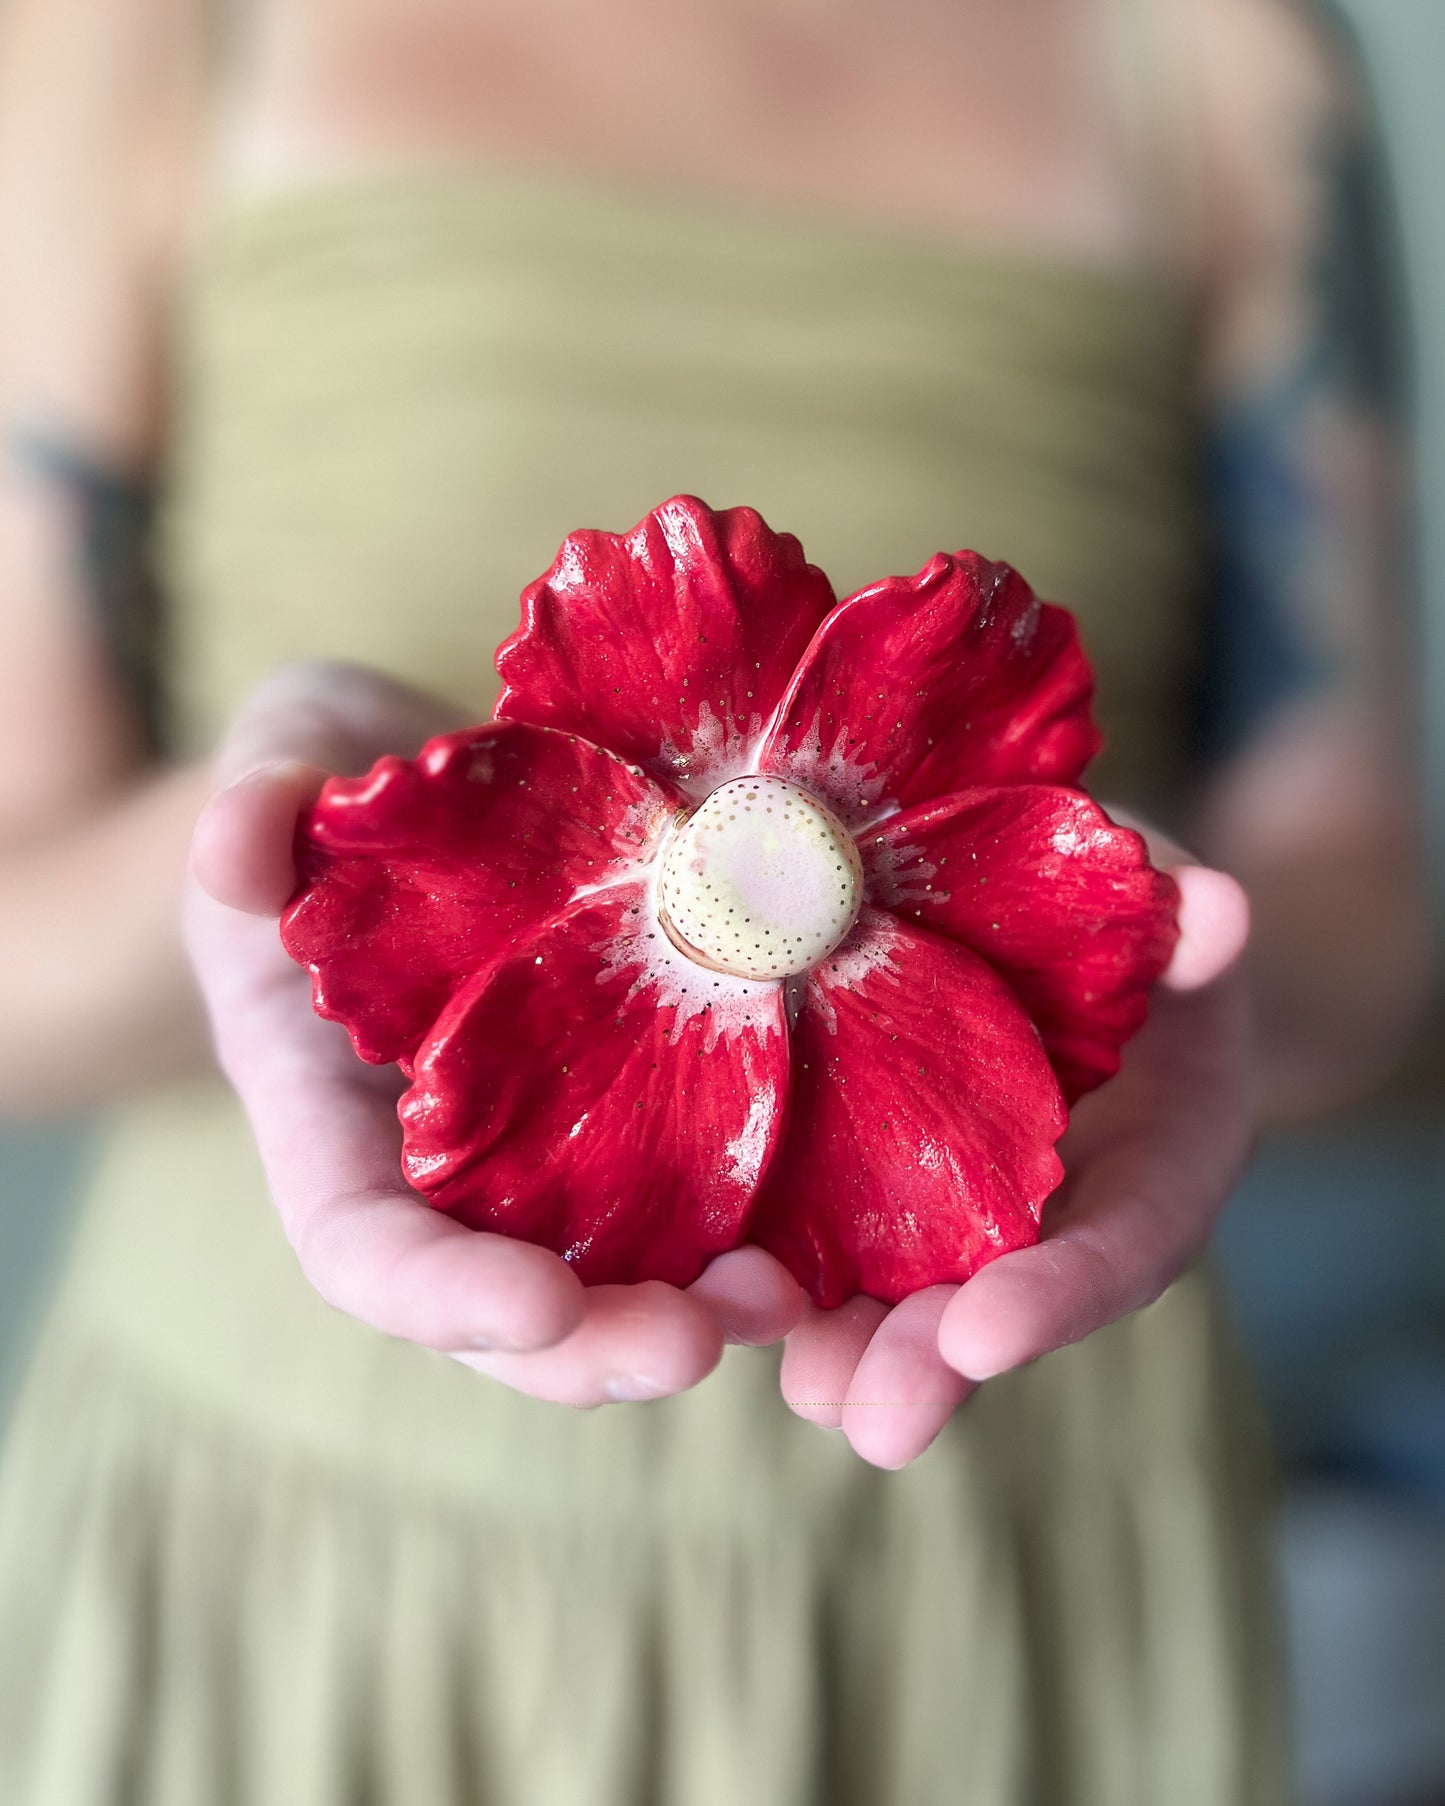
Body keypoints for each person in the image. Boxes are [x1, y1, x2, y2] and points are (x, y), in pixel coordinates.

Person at [0, 0, 1429, 1798]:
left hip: (990, 1546)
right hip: (296, 1522)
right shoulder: (138, 33)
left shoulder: (1227, 47)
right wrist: (315, 853)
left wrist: (1113, 933)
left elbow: (1356, 918)